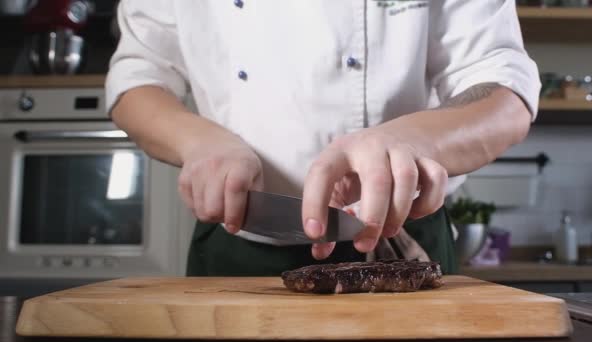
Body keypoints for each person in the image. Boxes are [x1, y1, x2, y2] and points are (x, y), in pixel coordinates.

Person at [106, 0, 540, 276]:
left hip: (404, 246)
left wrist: (414, 141)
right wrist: (199, 141)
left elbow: (505, 92)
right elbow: (137, 77)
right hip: (241, 247)